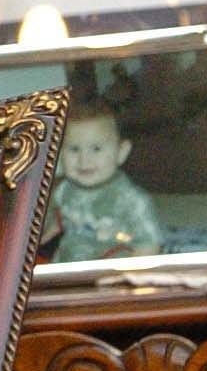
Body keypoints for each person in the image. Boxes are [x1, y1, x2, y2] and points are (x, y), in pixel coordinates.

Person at [48, 96, 167, 261]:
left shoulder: (131, 200)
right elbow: (60, 222)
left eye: (96, 149)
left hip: (113, 261)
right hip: (69, 259)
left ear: (121, 152)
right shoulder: (63, 189)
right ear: (60, 154)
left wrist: (129, 276)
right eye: (74, 149)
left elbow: (150, 244)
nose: (84, 160)